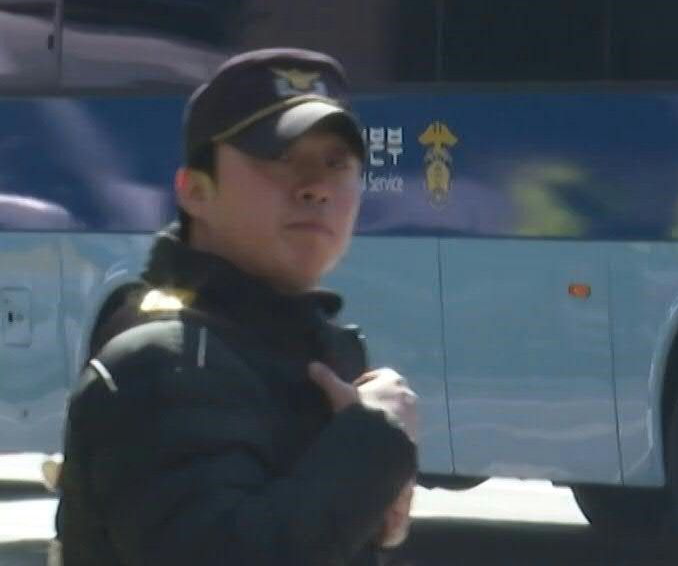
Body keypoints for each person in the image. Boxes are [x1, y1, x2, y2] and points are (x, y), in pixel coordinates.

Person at [51, 48, 419, 565]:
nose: (315, 186)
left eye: (336, 162)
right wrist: (371, 449)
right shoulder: (159, 366)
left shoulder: (314, 348)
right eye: (280, 157)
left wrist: (377, 506)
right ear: (195, 192)